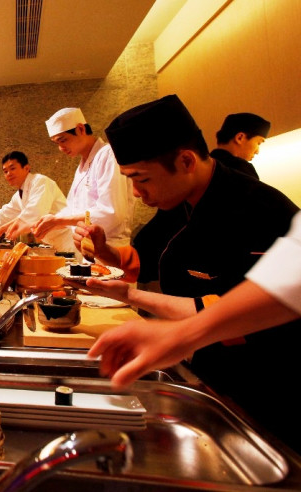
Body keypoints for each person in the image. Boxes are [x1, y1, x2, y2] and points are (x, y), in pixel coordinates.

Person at [73, 94, 299, 452]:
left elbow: (235, 313)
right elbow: (139, 260)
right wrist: (106, 253)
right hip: (208, 371)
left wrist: (173, 330)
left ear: (186, 160)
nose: (136, 191)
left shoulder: (258, 211)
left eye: (141, 178)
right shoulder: (178, 200)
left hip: (265, 392)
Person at [30, 108, 134, 248]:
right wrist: (52, 221)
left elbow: (111, 213)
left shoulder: (108, 155)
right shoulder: (82, 166)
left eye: (63, 140)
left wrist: (59, 220)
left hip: (111, 247)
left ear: (80, 129)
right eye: (57, 144)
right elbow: (73, 209)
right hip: (87, 247)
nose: (61, 148)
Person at [0, 151, 69, 247]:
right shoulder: (19, 195)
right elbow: (1, 216)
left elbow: (34, 214)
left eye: (12, 168)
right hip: (52, 243)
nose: (9, 174)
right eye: (5, 171)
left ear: (26, 168)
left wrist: (1, 230)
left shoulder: (41, 182)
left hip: (68, 240)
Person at [210, 112, 270, 179]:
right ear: (240, 138)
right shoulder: (242, 170)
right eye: (258, 143)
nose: (257, 152)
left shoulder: (205, 166)